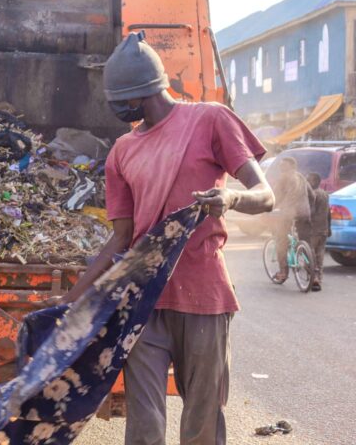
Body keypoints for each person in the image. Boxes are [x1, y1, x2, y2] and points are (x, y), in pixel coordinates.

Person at [60, 33, 275, 445]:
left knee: (202, 421)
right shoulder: (121, 151)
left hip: (204, 298)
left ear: (141, 93)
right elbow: (120, 237)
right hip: (145, 300)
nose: (117, 108)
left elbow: (266, 196)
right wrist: (73, 299)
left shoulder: (211, 119)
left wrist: (230, 198)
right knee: (144, 426)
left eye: (120, 98)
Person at [270, 157, 314, 283]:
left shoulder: (283, 177)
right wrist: (308, 210)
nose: (280, 167)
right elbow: (312, 195)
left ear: (289, 166)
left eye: (282, 165)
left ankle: (283, 272)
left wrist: (270, 208)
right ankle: (312, 270)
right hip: (305, 213)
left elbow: (275, 197)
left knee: (281, 241)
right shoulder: (301, 177)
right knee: (306, 241)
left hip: (288, 213)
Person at [298, 172, 330, 291]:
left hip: (313, 230)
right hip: (323, 229)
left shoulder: (312, 195)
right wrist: (329, 228)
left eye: (308, 180)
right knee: (319, 255)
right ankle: (318, 279)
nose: (306, 182)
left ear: (313, 182)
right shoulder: (325, 194)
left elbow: (310, 213)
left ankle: (313, 278)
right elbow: (328, 213)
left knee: (309, 255)